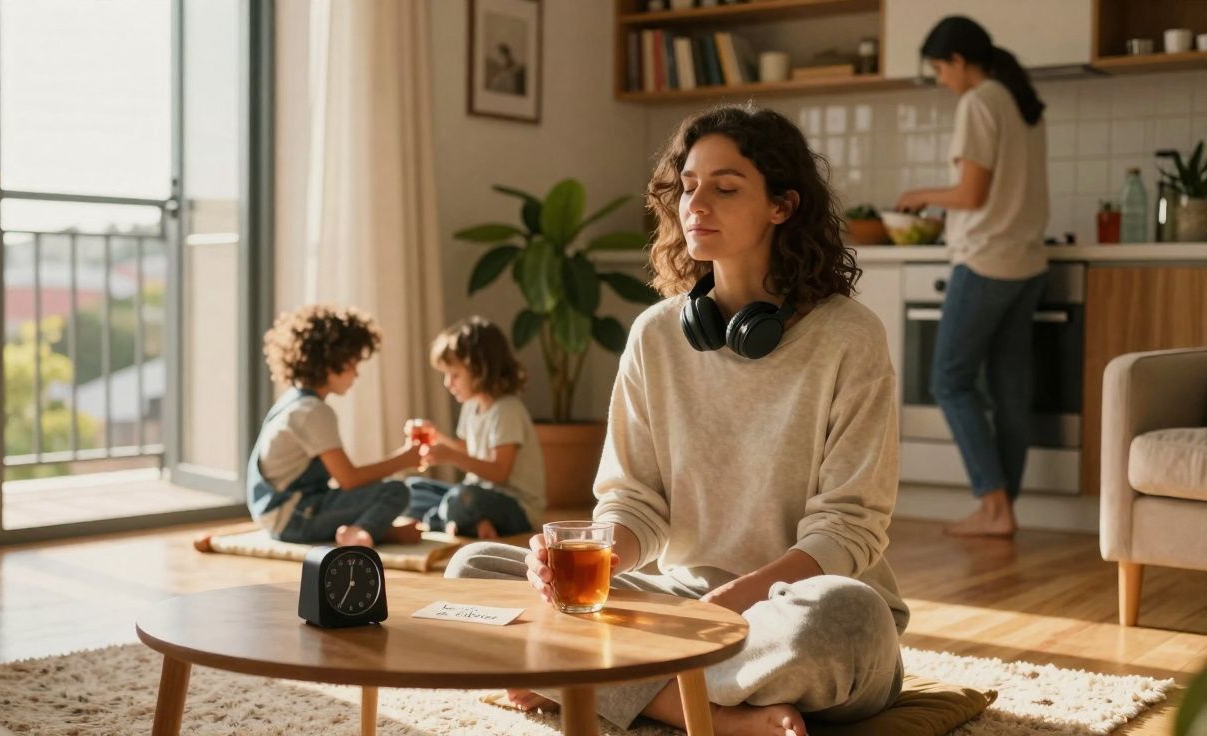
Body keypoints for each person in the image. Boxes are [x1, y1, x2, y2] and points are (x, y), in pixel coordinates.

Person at [446, 105, 909, 736]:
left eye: (725, 188)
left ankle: (580, 674)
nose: (697, 204)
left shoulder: (850, 337)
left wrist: (728, 606)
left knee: (847, 621)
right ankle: (709, 714)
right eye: (688, 187)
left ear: (782, 205)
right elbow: (634, 501)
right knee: (471, 573)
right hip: (679, 608)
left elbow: (849, 528)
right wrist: (597, 559)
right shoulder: (655, 335)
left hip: (789, 613)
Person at [895, 16, 1049, 538]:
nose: (940, 78)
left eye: (939, 67)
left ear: (959, 61)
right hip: (1026, 263)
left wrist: (920, 194)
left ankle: (993, 503)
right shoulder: (1020, 102)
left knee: (949, 381)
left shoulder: (979, 101)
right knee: (1010, 391)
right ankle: (1002, 511)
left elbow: (972, 195)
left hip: (985, 261)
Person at [247, 304, 422, 548]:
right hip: (293, 517)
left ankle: (378, 532)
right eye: (352, 365)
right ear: (330, 363)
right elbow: (348, 479)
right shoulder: (313, 412)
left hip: (276, 512)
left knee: (386, 493)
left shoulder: (293, 401)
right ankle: (362, 533)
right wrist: (403, 460)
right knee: (396, 492)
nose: (356, 375)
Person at [403, 316, 545, 540]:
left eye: (455, 375)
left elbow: (499, 473)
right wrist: (437, 436)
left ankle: (447, 519)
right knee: (411, 490)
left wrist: (450, 456)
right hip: (478, 495)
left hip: (515, 506)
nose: (448, 383)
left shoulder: (507, 410)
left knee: (462, 497)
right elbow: (467, 450)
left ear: (480, 370)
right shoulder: (471, 406)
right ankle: (463, 521)